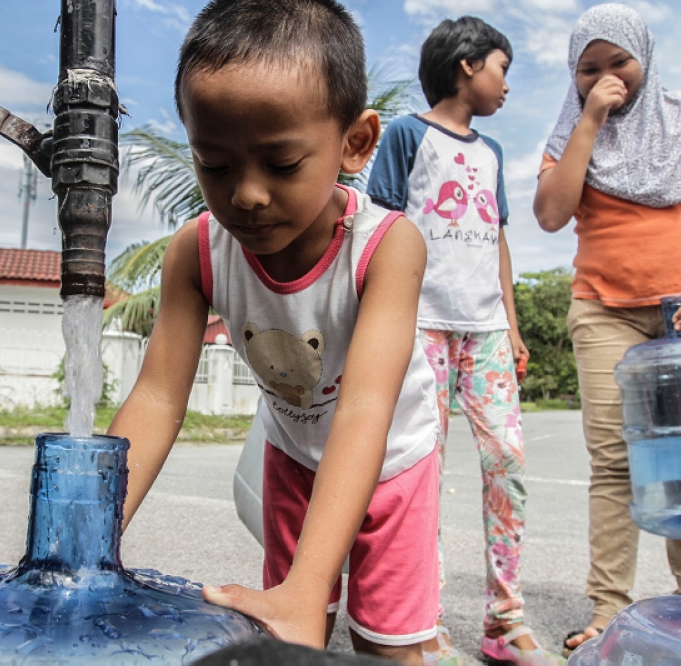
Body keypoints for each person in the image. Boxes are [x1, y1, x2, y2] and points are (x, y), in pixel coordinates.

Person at [106, 0, 443, 662]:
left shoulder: (387, 247)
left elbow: (366, 408)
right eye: (215, 165)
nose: (247, 196)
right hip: (293, 459)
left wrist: (308, 581)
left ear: (356, 142)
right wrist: (87, 542)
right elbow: (155, 399)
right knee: (291, 628)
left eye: (282, 164)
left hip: (394, 463)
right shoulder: (196, 252)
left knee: (390, 644)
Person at [532, 3, 681, 656]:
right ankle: (609, 608)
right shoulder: (571, 131)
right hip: (605, 311)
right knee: (613, 462)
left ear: (645, 56)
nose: (608, 77)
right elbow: (550, 214)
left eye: (619, 62)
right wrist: (590, 119)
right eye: (589, 69)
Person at [367, 17, 563, 666]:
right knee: (421, 472)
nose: (508, 85)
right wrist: (380, 318)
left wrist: (510, 320)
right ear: (467, 66)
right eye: (503, 69)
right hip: (419, 324)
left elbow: (498, 238)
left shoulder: (492, 153)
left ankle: (504, 622)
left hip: (484, 332)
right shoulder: (405, 135)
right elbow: (382, 225)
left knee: (506, 459)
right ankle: (422, 623)